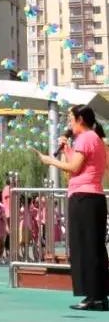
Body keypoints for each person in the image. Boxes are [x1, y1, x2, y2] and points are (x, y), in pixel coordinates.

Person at [33, 105, 109, 311]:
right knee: (94, 247)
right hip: (93, 197)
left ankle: (93, 297)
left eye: (70, 119)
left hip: (83, 198)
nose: (68, 123)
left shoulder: (85, 138)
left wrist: (50, 161)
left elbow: (73, 168)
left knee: (85, 247)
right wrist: (67, 150)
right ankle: (99, 295)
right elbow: (77, 167)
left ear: (80, 119)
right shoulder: (95, 139)